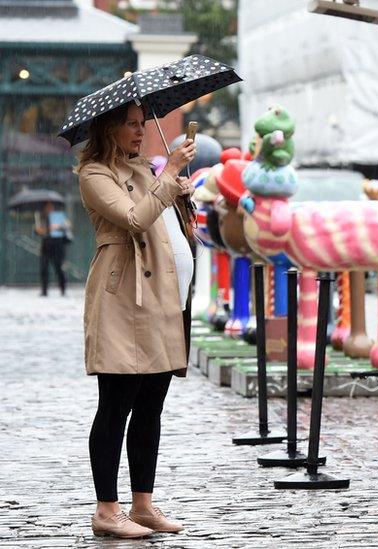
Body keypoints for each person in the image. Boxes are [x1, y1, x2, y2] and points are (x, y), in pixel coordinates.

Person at [76, 101, 197, 539]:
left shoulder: (145, 169)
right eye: (130, 124)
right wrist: (167, 180)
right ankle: (106, 509)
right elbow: (133, 218)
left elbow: (162, 220)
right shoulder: (94, 175)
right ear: (108, 128)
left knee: (151, 406)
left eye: (142, 123)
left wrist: (183, 198)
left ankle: (142, 505)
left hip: (165, 302)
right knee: (116, 405)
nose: (140, 131)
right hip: (124, 302)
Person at [34, 201, 70, 296]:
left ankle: (63, 289)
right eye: (47, 207)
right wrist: (43, 229)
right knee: (44, 268)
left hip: (58, 246)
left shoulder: (59, 217)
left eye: (51, 206)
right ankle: (44, 290)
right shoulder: (41, 217)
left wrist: (58, 226)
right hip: (46, 246)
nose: (49, 209)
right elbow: (38, 231)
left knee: (59, 269)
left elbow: (67, 227)